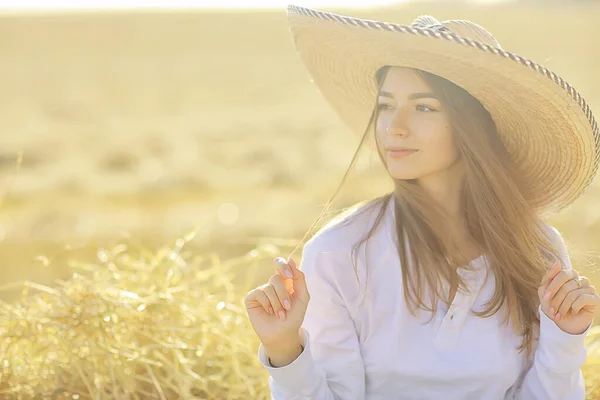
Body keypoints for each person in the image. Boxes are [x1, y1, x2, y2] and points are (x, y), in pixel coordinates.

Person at [244, 5, 600, 399]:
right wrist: (284, 351)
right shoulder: (339, 253)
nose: (394, 127)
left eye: (424, 106)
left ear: (474, 123)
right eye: (385, 106)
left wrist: (565, 338)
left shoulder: (537, 250)